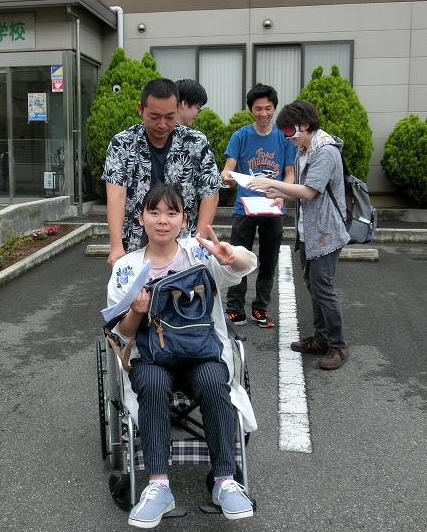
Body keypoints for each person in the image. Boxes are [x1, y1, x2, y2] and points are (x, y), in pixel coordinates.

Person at [107, 183, 257, 528]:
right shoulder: (127, 268)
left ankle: (224, 481)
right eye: (154, 212)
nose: (163, 220)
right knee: (154, 384)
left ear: (183, 219)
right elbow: (121, 334)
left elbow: (243, 267)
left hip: (199, 354)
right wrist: (135, 312)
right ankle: (159, 486)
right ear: (141, 217)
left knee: (213, 379)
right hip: (152, 358)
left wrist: (229, 256)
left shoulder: (198, 252)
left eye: (171, 213)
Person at [246, 100, 350, 370]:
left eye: (290, 132)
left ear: (304, 125)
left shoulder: (325, 152)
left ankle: (337, 345)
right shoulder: (304, 149)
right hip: (310, 231)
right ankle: (321, 338)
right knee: (313, 286)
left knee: (323, 288)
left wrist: (272, 182)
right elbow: (300, 189)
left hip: (326, 232)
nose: (287, 138)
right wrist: (278, 193)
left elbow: (308, 191)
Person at [102, 78, 221, 269]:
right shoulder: (122, 143)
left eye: (170, 116)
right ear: (140, 109)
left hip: (182, 243)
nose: (162, 124)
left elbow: (210, 194)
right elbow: (116, 195)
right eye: (154, 116)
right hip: (135, 241)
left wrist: (197, 244)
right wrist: (116, 247)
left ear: (178, 109)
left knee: (183, 297)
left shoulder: (196, 143)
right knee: (138, 298)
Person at [221, 83, 296, 328]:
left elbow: (290, 174)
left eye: (268, 108)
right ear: (250, 109)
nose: (263, 113)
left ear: (274, 108)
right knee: (236, 257)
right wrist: (227, 178)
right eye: (258, 108)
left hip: (274, 208)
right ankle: (235, 308)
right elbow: (228, 169)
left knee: (269, 260)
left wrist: (282, 196)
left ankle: (260, 307)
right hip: (245, 208)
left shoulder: (284, 139)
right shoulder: (240, 136)